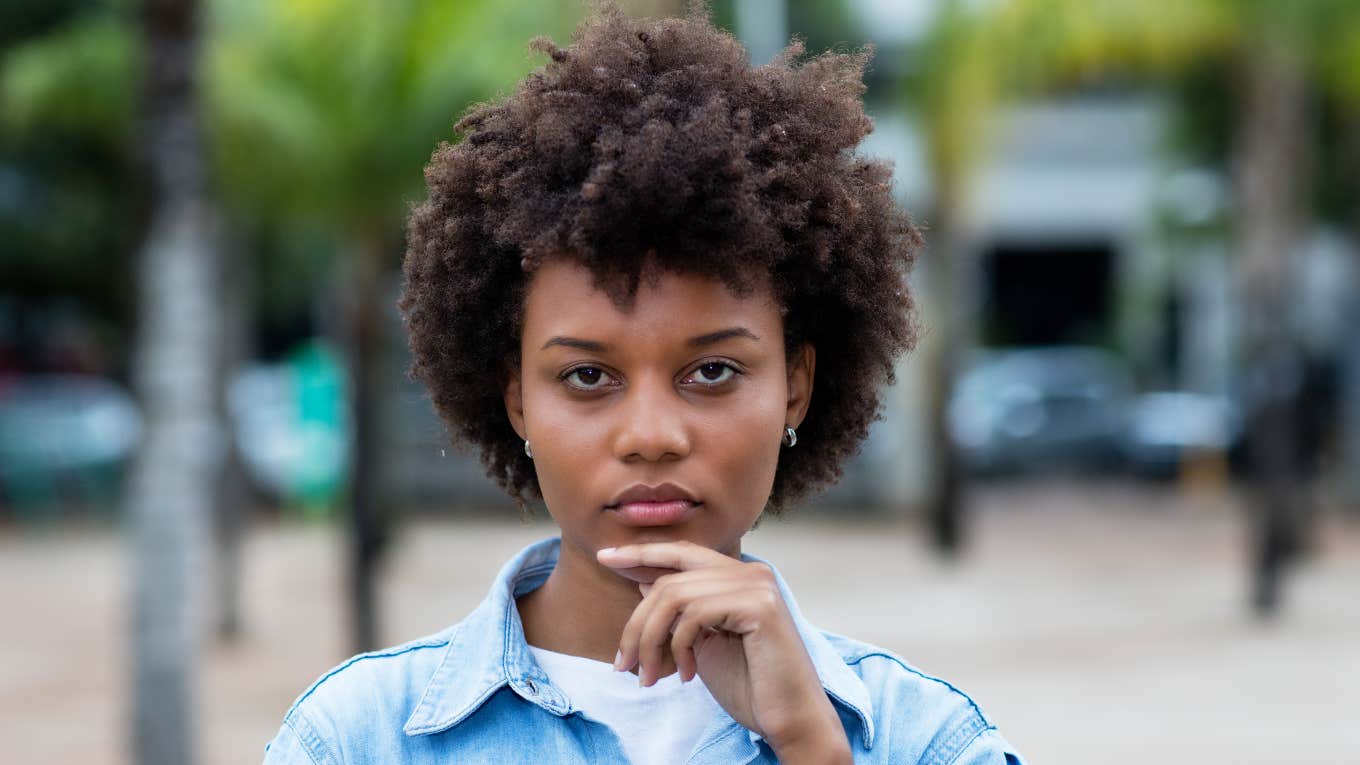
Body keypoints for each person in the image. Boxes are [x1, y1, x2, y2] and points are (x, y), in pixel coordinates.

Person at [263, 3, 1024, 763]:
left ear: (796, 384)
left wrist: (812, 744)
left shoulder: (925, 739)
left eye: (713, 371)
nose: (652, 434)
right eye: (588, 375)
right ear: (516, 395)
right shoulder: (355, 738)